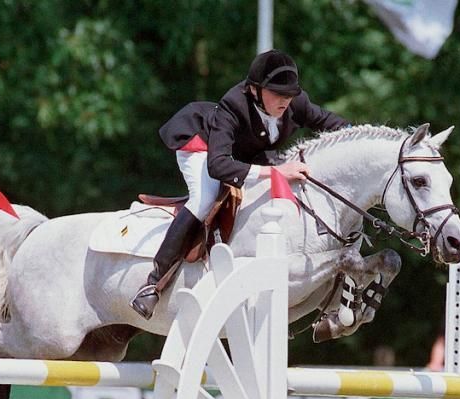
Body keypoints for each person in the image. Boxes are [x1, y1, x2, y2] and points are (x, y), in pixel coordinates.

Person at [130, 49, 349, 319]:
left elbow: (333, 124)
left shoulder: (295, 103)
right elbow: (218, 165)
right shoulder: (233, 104)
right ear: (255, 90)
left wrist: (363, 139)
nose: (286, 101)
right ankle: (153, 282)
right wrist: (277, 172)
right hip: (203, 145)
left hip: (244, 151)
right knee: (205, 198)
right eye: (278, 94)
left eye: (290, 94)